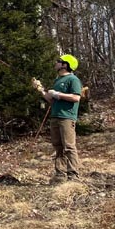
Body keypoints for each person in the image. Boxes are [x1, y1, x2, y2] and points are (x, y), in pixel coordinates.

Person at [33, 54, 82, 182]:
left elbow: (76, 98)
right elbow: (51, 99)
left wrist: (58, 94)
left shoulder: (73, 80)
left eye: (58, 61)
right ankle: (60, 174)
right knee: (57, 146)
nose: (56, 63)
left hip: (67, 117)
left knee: (69, 146)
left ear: (65, 65)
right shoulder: (57, 80)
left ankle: (73, 176)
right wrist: (40, 89)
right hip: (55, 116)